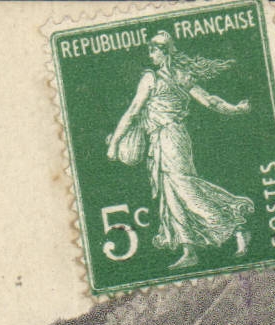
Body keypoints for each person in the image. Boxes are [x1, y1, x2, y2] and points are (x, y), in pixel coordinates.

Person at [105, 31, 254, 271]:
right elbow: (210, 100)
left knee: (185, 189)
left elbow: (133, 111)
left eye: (153, 51)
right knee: (171, 195)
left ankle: (235, 224)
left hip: (170, 138)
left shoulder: (151, 78)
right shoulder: (181, 76)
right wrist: (235, 109)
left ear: (163, 52)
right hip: (163, 141)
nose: (150, 56)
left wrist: (114, 143)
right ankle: (189, 251)